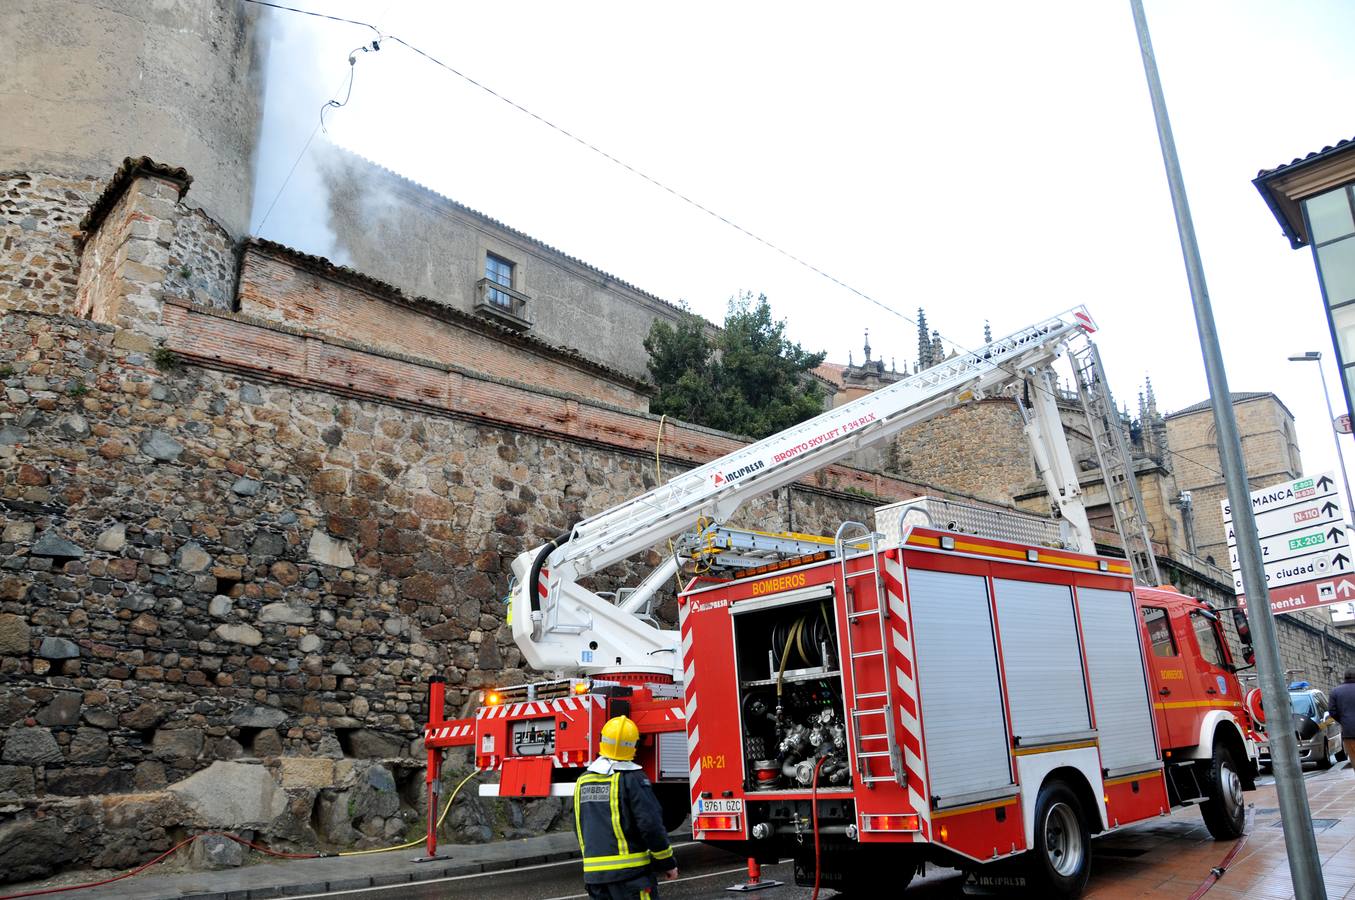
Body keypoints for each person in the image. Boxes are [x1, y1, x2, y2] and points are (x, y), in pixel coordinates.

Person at [573, 714, 678, 899]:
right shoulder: (633, 778)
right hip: (632, 878)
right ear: (634, 745)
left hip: (595, 879)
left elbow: (579, 825)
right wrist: (667, 862)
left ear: (601, 740)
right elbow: (650, 824)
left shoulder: (583, 781)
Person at [1332, 668, 1355, 773]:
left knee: (1354, 759)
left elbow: (1332, 711)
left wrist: (1343, 721)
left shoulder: (1336, 691)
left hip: (1348, 733)